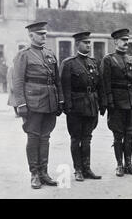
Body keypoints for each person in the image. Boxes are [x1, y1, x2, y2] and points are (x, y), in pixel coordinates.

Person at [12, 21, 64, 189]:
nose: (44, 36)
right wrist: (20, 104)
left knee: (45, 138)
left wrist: (60, 100)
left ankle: (44, 172)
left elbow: (57, 80)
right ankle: (34, 173)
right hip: (32, 102)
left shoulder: (50, 54)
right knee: (33, 137)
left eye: (45, 34)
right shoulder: (23, 55)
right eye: (40, 34)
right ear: (31, 36)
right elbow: (18, 81)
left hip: (50, 101)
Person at [60, 32, 105, 181]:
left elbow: (99, 85)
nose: (89, 45)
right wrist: (68, 107)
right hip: (76, 107)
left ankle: (87, 168)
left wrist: (102, 103)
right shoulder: (69, 63)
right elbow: (65, 87)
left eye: (89, 42)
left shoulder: (93, 62)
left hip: (91, 104)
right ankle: (77, 169)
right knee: (75, 138)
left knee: (87, 138)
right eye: (85, 43)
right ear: (77, 44)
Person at [101, 28, 132, 177]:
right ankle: (119, 165)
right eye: (123, 40)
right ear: (115, 42)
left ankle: (129, 164)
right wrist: (109, 102)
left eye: (127, 40)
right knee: (118, 136)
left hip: (130, 102)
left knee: (130, 134)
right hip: (117, 103)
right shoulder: (108, 59)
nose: (126, 43)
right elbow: (105, 83)